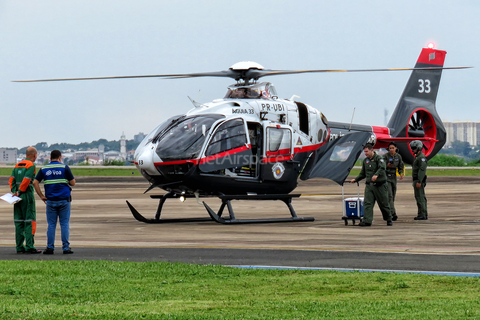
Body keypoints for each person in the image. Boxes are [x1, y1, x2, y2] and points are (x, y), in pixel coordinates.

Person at [33, 150, 76, 254]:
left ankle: (50, 247)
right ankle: (65, 248)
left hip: (51, 200)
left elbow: (35, 182)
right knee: (64, 224)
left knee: (51, 225)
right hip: (64, 200)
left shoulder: (44, 169)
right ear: (60, 157)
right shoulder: (64, 167)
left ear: (50, 158)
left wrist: (41, 196)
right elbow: (73, 183)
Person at [351, 143, 392, 227]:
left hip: (380, 186)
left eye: (367, 151)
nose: (365, 153)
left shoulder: (379, 159)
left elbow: (382, 167)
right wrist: (356, 179)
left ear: (371, 150)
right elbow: (363, 173)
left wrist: (376, 175)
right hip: (370, 186)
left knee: (383, 204)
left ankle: (388, 218)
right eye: (364, 152)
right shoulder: (365, 161)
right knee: (368, 203)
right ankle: (367, 220)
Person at [9, 147, 41, 253]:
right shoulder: (31, 165)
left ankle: (19, 247)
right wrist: (20, 192)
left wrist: (14, 191)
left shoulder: (17, 165)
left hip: (16, 197)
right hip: (26, 195)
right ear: (34, 155)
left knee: (18, 222)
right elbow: (27, 180)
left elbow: (11, 180)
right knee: (29, 221)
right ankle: (30, 246)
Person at [383, 142, 404, 221]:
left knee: (393, 194)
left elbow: (400, 165)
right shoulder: (385, 156)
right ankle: (393, 213)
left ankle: (389, 211)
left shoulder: (398, 156)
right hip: (387, 177)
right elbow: (381, 166)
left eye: (393, 148)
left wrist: (401, 173)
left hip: (393, 177)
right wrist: (387, 166)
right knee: (389, 196)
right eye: (390, 148)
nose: (391, 149)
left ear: (396, 148)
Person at [410, 140, 428, 220]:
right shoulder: (418, 157)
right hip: (417, 180)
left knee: (420, 197)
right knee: (419, 197)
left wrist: (419, 181)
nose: (413, 150)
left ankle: (422, 214)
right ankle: (422, 213)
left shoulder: (421, 158)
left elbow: (422, 170)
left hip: (418, 180)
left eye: (414, 148)